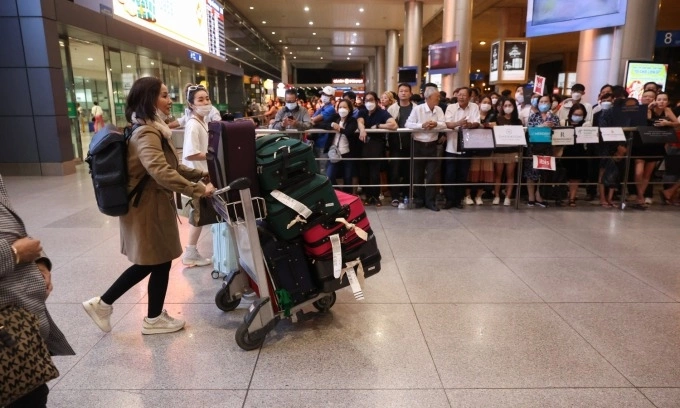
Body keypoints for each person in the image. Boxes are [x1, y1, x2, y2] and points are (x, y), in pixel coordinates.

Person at [82, 76, 215, 335]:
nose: (170, 100)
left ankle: (148, 316)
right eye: (163, 95)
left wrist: (201, 175)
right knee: (152, 261)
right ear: (149, 99)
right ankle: (107, 305)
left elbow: (171, 166)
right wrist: (199, 190)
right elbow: (160, 171)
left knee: (159, 261)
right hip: (147, 207)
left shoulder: (151, 127)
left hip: (151, 205)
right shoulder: (146, 132)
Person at [0, 175, 74, 407]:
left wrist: (38, 261)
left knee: (33, 393)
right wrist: (13, 254)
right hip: (8, 340)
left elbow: (11, 229)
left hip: (22, 333)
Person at [180, 83, 215, 267]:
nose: (205, 102)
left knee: (201, 214)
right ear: (191, 104)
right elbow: (190, 153)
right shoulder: (193, 124)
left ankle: (192, 251)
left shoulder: (202, 121)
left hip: (202, 173)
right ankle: (190, 252)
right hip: (197, 176)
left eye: (207, 98)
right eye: (200, 100)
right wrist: (213, 154)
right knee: (198, 215)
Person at [405, 86, 447, 211]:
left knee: (432, 175)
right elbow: (408, 124)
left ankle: (430, 201)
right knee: (417, 174)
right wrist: (422, 125)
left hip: (432, 145)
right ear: (428, 98)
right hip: (418, 144)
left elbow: (444, 124)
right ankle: (419, 199)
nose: (438, 99)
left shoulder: (439, 109)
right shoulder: (418, 109)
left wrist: (436, 124)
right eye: (436, 97)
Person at [357, 91, 398, 206]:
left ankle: (375, 197)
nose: (369, 102)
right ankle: (367, 196)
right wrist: (362, 129)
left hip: (377, 146)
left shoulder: (382, 113)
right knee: (364, 173)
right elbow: (360, 121)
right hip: (363, 145)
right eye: (366, 100)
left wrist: (379, 126)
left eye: (371, 100)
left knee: (375, 173)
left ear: (376, 101)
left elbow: (394, 125)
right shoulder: (362, 111)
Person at [444, 87, 480, 208]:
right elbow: (447, 124)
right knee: (450, 174)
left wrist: (470, 125)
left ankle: (458, 200)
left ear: (469, 97)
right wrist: (458, 123)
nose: (461, 97)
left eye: (464, 95)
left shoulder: (474, 107)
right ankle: (449, 200)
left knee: (462, 174)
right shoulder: (451, 107)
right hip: (452, 146)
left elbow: (477, 122)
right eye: (459, 94)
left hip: (467, 146)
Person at [525, 95, 560, 207]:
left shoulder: (554, 118)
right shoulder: (533, 116)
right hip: (534, 148)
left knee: (543, 174)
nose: (544, 104)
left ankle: (539, 196)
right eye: (541, 101)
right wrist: (541, 126)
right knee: (531, 173)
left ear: (550, 103)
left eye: (546, 101)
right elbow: (529, 131)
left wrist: (553, 128)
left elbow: (559, 134)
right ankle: (530, 197)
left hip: (548, 149)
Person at [387, 83, 416, 206]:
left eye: (406, 91)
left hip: (412, 144)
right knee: (394, 171)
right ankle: (394, 196)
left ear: (410, 93)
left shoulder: (416, 108)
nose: (403, 93)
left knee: (408, 172)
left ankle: (406, 194)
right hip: (395, 145)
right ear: (398, 93)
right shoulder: (392, 108)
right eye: (401, 91)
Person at [465, 94, 496, 205]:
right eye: (484, 102)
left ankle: (479, 195)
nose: (486, 105)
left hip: (487, 147)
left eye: (489, 103)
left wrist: (493, 126)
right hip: (474, 147)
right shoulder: (474, 114)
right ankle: (467, 195)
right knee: (472, 172)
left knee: (484, 173)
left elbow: (497, 127)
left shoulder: (493, 116)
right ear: (479, 103)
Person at [491, 97, 522, 206]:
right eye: (505, 106)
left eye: (510, 105)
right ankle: (496, 196)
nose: (507, 108)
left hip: (512, 151)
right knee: (498, 175)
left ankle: (508, 197)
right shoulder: (497, 119)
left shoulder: (517, 121)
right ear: (502, 107)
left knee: (510, 175)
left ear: (514, 107)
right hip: (499, 150)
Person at [325, 99, 359, 192]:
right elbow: (322, 124)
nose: (342, 109)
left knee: (348, 177)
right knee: (329, 175)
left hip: (347, 153)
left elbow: (349, 131)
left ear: (349, 109)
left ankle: (347, 196)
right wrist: (332, 124)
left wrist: (339, 129)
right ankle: (339, 193)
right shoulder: (335, 117)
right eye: (340, 107)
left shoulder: (352, 120)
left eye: (345, 107)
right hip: (334, 152)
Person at [562, 103, 590, 206]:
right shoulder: (564, 122)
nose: (577, 116)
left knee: (575, 176)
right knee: (564, 175)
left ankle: (572, 198)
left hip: (579, 152)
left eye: (580, 115)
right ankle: (562, 195)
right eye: (575, 114)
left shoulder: (586, 125)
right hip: (564, 152)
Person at [310, 86, 337, 175]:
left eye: (326, 95)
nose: (323, 96)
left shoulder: (330, 109)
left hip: (324, 143)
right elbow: (311, 120)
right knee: (317, 168)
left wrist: (314, 121)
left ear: (332, 97)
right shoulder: (322, 108)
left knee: (323, 169)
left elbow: (313, 120)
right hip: (317, 141)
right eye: (323, 94)